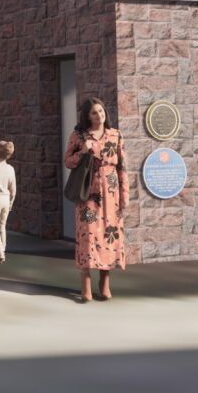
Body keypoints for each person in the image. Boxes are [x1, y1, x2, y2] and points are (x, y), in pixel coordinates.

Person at [64, 97, 128, 302]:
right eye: (94, 112)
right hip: (88, 192)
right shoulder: (78, 136)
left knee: (108, 237)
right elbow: (67, 161)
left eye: (101, 111)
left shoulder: (115, 135)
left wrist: (124, 196)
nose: (99, 115)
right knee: (88, 236)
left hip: (111, 194)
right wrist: (83, 152)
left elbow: (122, 168)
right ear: (87, 116)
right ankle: (86, 284)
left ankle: (105, 283)